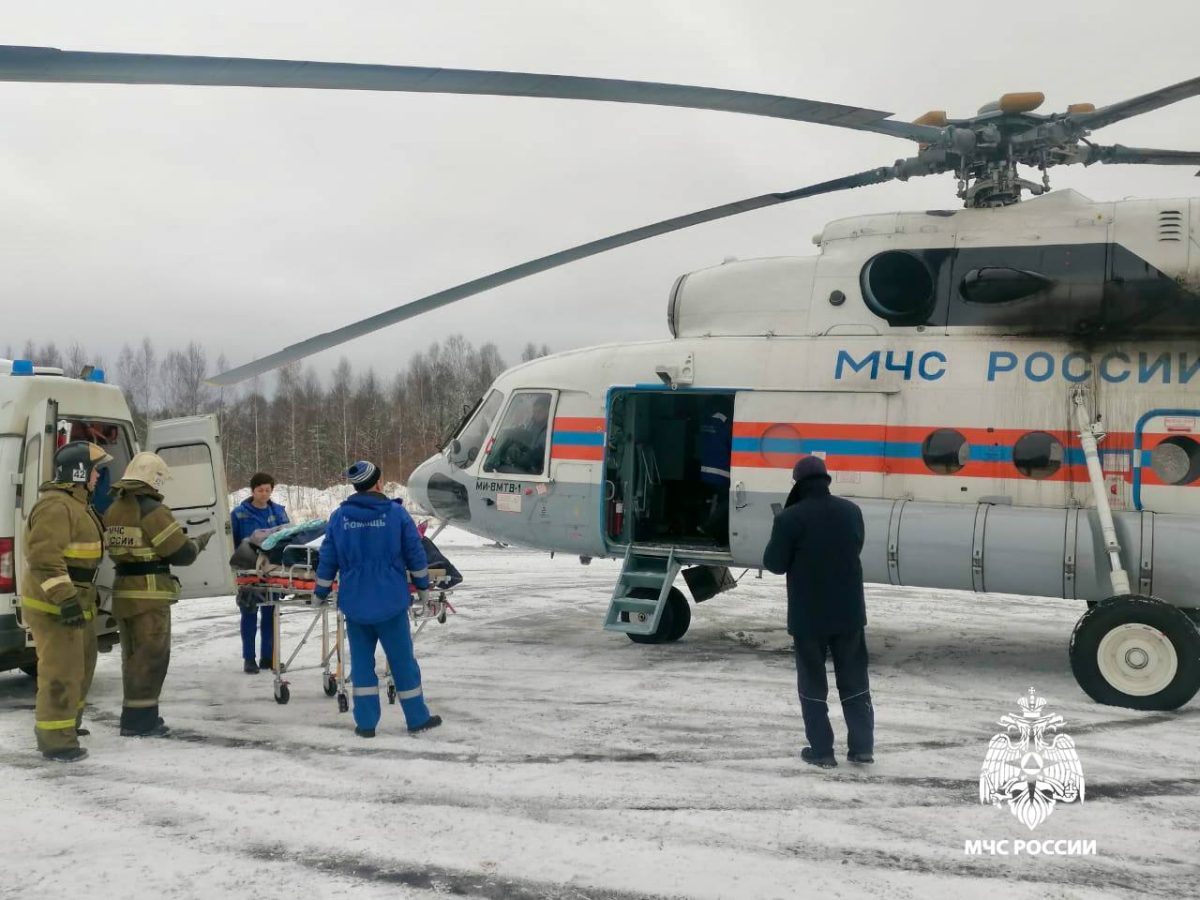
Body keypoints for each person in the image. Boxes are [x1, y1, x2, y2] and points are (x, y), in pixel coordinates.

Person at [314, 460, 442, 737]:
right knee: (402, 662)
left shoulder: (339, 518)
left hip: (355, 604)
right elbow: (415, 554)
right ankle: (417, 718)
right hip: (391, 603)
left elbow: (328, 558)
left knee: (361, 666)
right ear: (379, 483)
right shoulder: (396, 515)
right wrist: (422, 586)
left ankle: (366, 724)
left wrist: (320, 592)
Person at [763, 455, 874, 769]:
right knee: (854, 680)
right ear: (826, 480)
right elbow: (856, 546)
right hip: (849, 613)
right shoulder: (852, 512)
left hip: (808, 616)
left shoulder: (790, 519)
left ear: (798, 483)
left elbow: (774, 564)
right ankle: (862, 748)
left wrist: (782, 529)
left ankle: (822, 751)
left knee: (812, 684)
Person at [103, 452, 210, 737]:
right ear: (153, 479)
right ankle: (142, 722)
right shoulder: (152, 510)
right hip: (149, 597)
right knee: (152, 657)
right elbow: (180, 553)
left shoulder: (114, 508)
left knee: (132, 657)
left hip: (123, 592)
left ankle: (133, 717)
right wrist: (198, 543)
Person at [20, 441, 111, 762]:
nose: (99, 477)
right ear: (80, 471)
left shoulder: (77, 504)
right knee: (61, 670)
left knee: (82, 666)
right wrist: (66, 598)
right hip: (56, 605)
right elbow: (44, 558)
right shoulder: (56, 506)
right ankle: (56, 740)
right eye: (96, 470)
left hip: (76, 600)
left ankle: (68, 724)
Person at [230, 472, 289, 673]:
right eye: (260, 490)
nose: (264, 494)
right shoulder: (239, 514)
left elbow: (288, 537)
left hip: (272, 568)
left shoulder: (279, 512)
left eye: (268, 490)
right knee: (249, 612)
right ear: (252, 491)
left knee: (271, 613)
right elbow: (233, 542)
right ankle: (249, 659)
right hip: (248, 568)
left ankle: (268, 657)